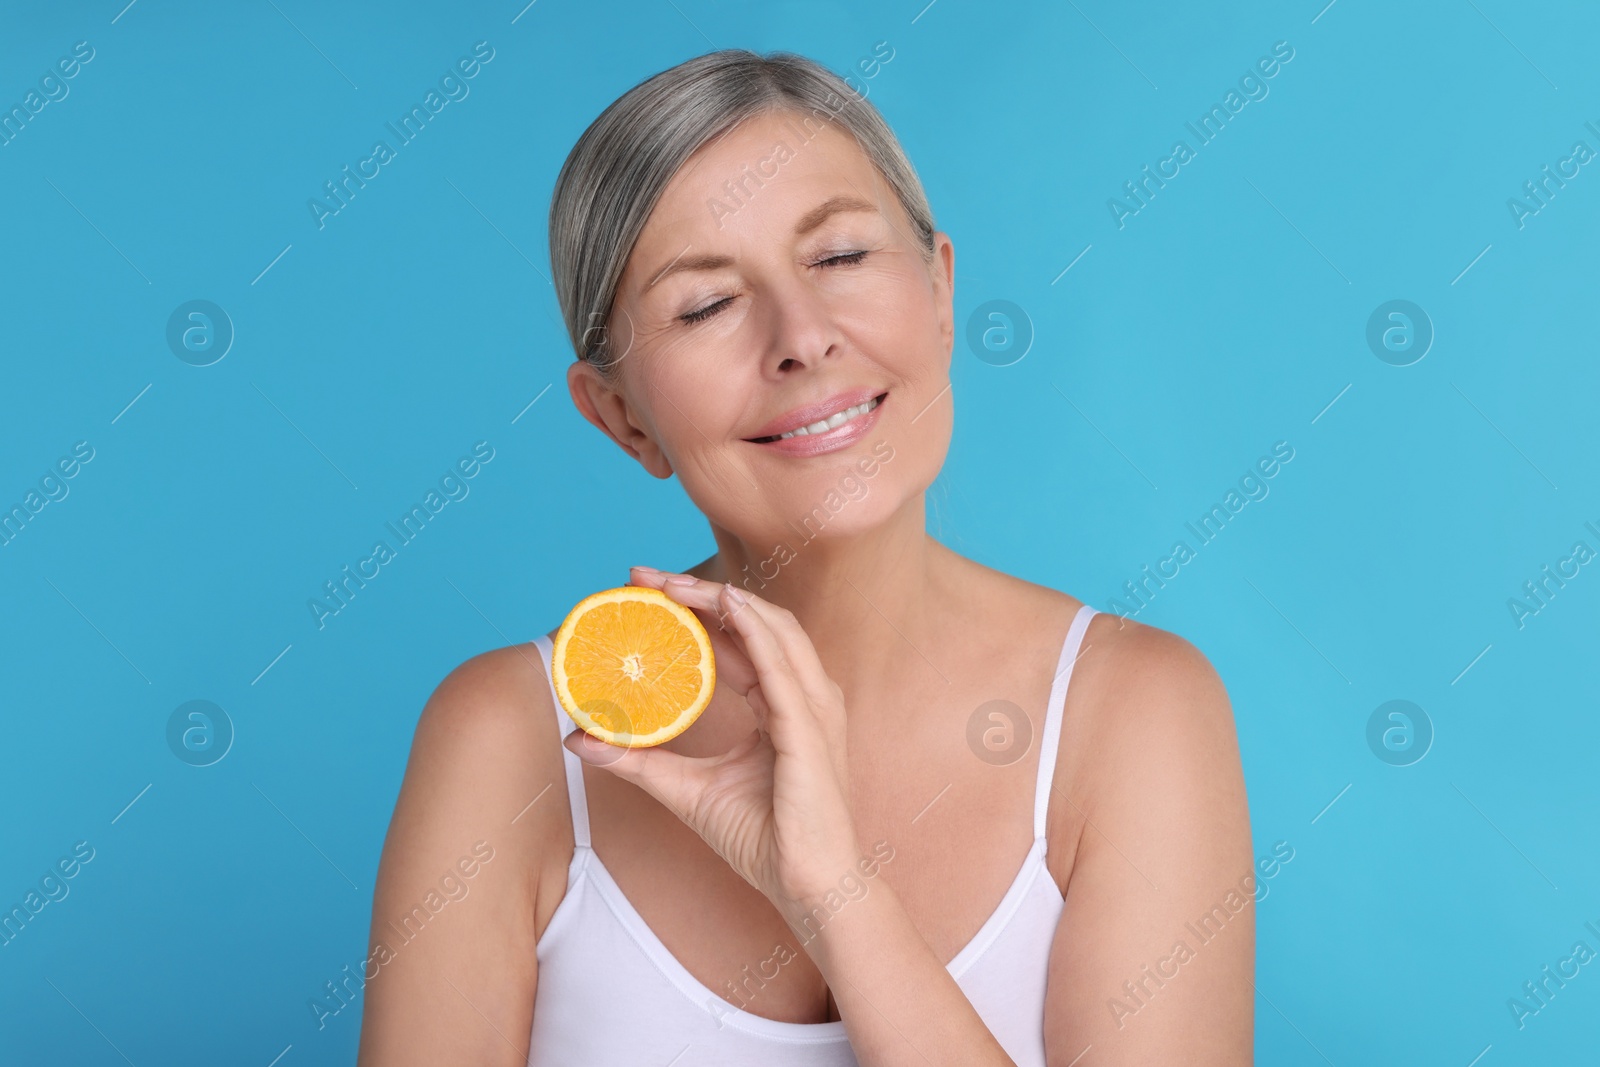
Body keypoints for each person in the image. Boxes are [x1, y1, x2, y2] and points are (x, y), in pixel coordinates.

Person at [358, 48, 1253, 1066]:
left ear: (941, 291)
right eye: (703, 305)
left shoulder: (1129, 707)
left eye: (836, 258)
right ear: (621, 419)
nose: (803, 337)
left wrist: (833, 888)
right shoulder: (507, 738)